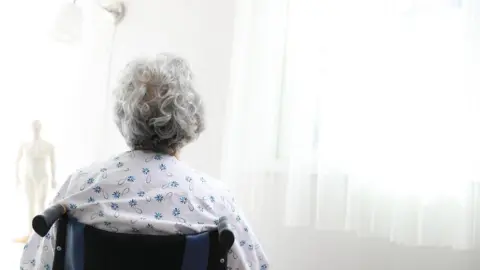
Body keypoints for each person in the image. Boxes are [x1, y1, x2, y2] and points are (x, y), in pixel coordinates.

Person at [20, 53, 269, 270]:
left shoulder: (79, 187)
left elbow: (32, 263)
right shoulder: (214, 199)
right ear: (190, 118)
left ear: (123, 114)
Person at [15, 120, 56, 242]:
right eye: (34, 126)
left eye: (37, 127)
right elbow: (17, 161)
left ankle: (42, 234)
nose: (36, 129)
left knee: (41, 203)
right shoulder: (25, 145)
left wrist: (54, 178)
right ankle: (30, 233)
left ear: (40, 128)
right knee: (30, 204)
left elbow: (53, 162)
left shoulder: (48, 145)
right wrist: (16, 177)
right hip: (29, 177)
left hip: (43, 177)